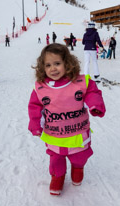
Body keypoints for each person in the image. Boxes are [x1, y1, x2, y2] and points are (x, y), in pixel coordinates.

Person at [28, 43, 106, 196]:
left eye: (57, 63)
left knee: (79, 156)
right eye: (48, 65)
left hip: (77, 133)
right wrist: (35, 124)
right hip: (55, 135)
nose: (53, 69)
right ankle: (58, 177)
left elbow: (92, 93)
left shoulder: (81, 82)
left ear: (67, 63)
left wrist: (95, 105)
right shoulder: (40, 88)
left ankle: (78, 168)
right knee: (56, 160)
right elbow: (34, 107)